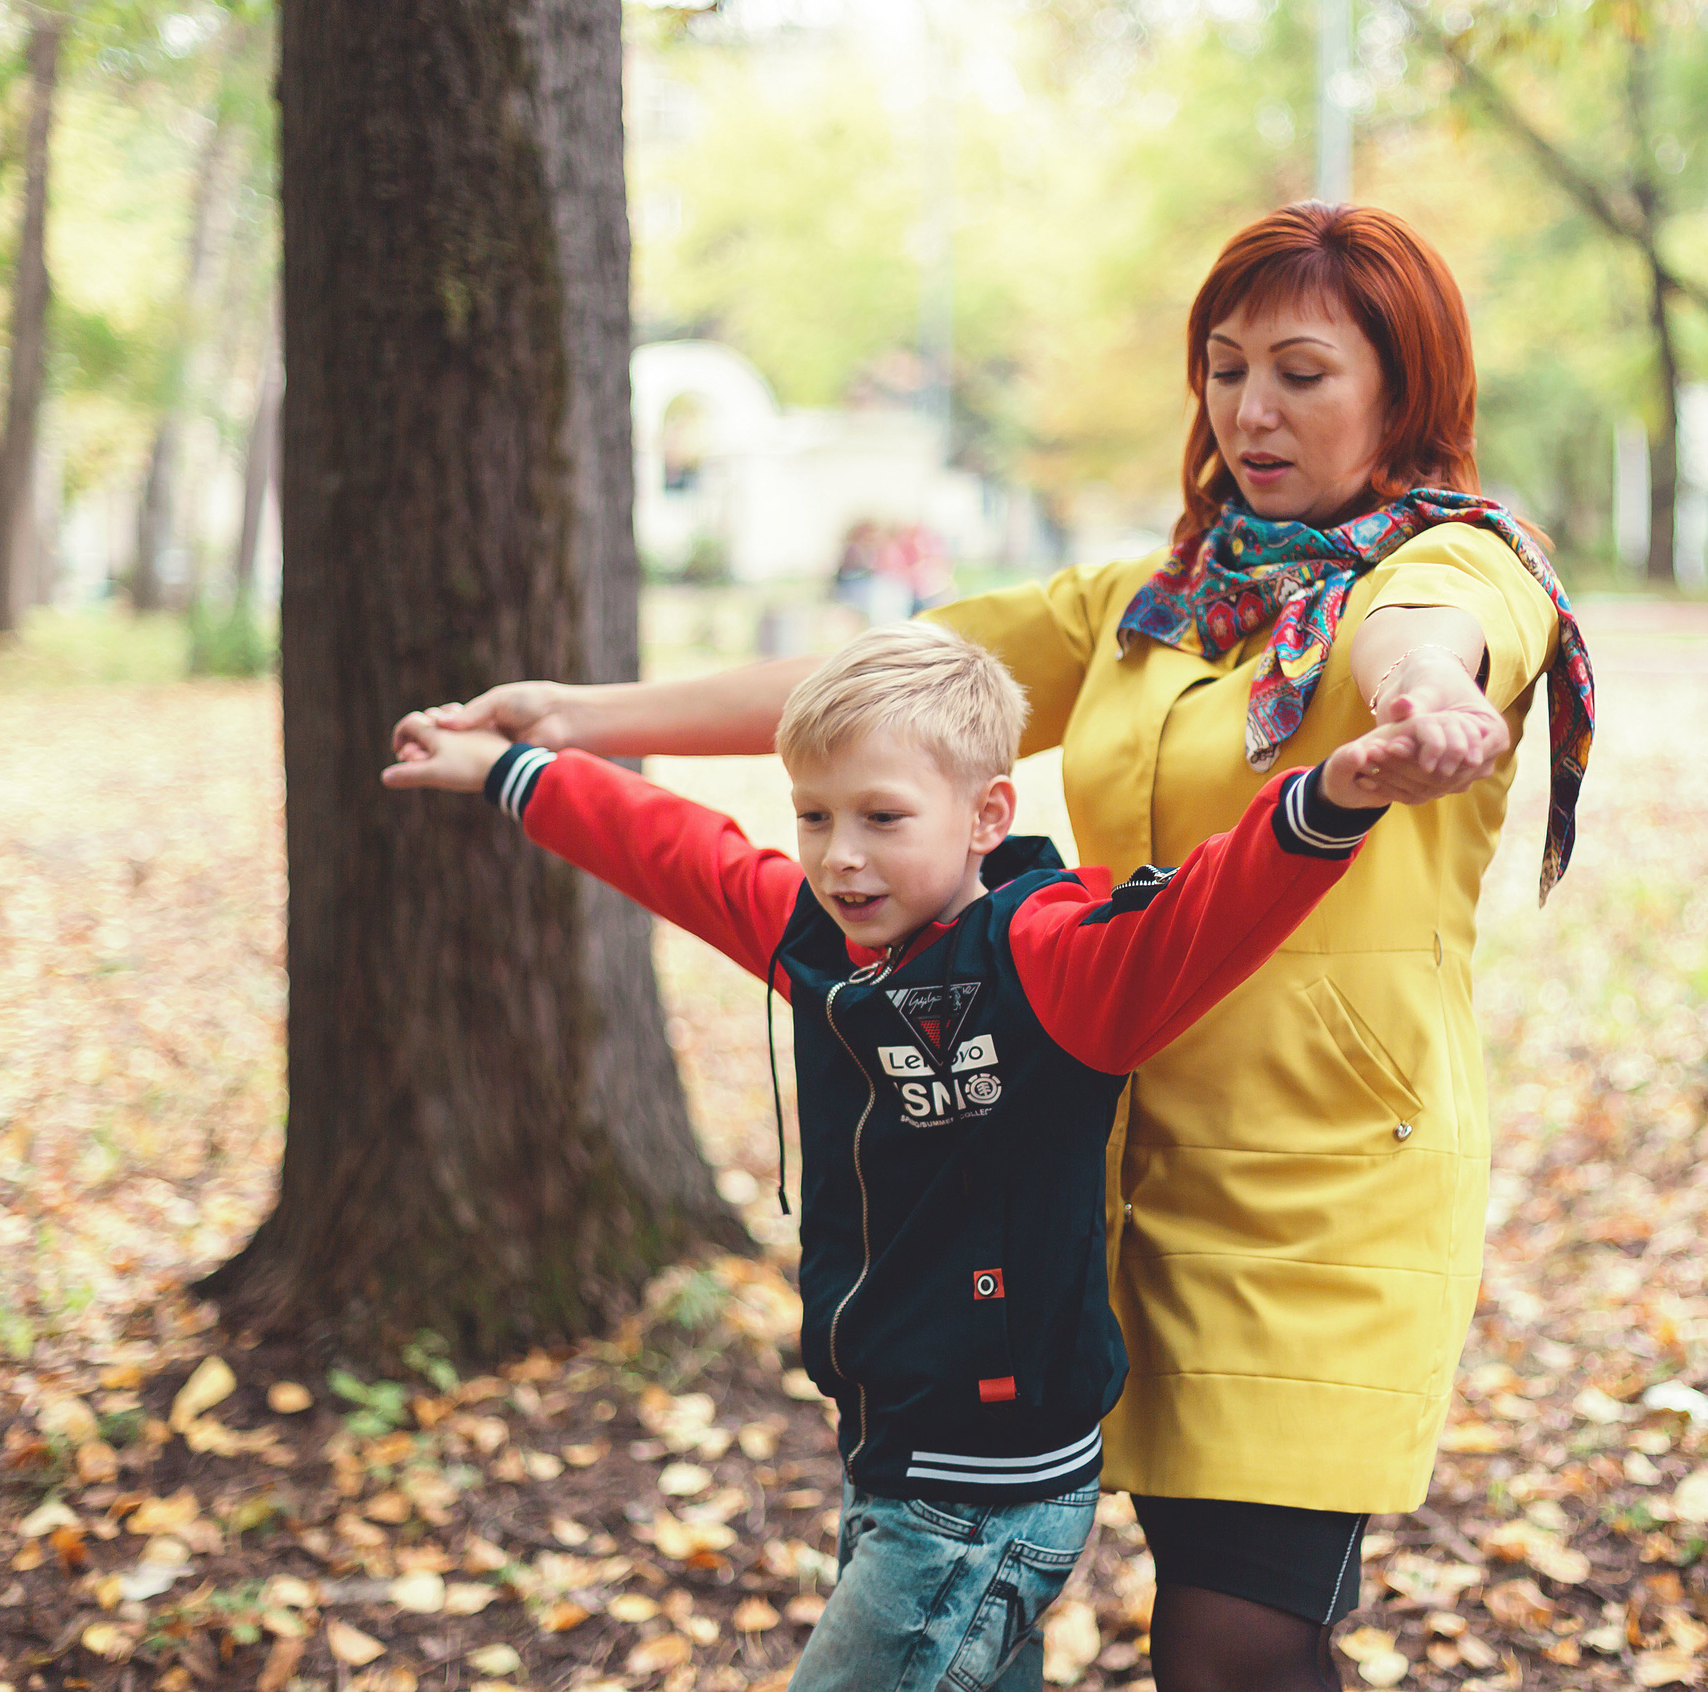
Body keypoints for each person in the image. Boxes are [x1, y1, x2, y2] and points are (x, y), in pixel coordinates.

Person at [423, 202, 1597, 1692]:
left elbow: (1425, 629)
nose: (1251, 408)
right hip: (1095, 1175)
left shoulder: (1456, 564)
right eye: (1226, 366)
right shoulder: (1148, 607)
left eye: (1302, 371)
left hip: (1320, 1182)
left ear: (1402, 389)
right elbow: (877, 683)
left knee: (1237, 1637)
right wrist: (587, 719)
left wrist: (1427, 696)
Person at [384, 620, 1444, 1691]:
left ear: (987, 815)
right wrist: (509, 768)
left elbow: (1205, 915)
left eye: (883, 818)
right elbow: (677, 852)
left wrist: (1333, 801)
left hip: (984, 1491)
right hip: (885, 1452)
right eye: (814, 816)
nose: (842, 855)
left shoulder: (1048, 965)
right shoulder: (823, 945)